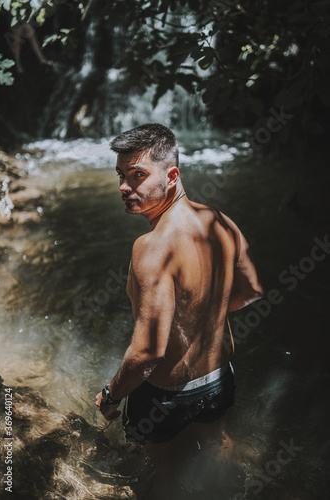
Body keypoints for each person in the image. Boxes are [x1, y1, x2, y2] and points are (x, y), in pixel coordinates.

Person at [95, 122, 263, 449]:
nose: (123, 187)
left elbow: (148, 353)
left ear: (171, 177)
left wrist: (110, 394)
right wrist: (201, 316)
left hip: (165, 396)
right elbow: (251, 291)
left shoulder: (151, 247)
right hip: (218, 378)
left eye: (137, 175)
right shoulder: (220, 222)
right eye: (120, 175)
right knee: (216, 446)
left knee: (159, 470)